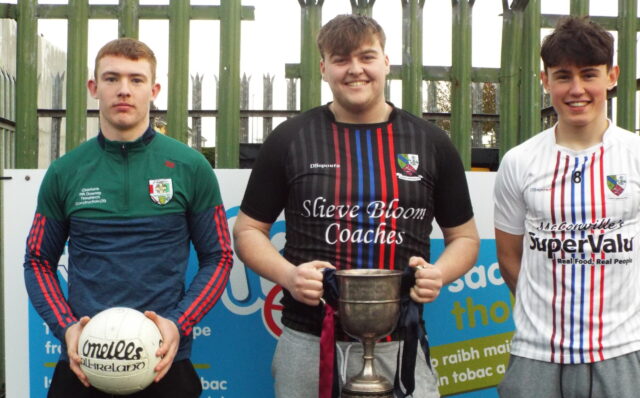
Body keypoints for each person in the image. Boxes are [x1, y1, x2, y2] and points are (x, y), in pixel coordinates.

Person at [233, 14, 479, 398]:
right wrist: (288, 275)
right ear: (324, 68)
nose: (355, 70)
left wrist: (440, 273)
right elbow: (248, 230)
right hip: (308, 340)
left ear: (386, 62)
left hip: (401, 343)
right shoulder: (290, 139)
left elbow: (464, 237)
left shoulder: (431, 142)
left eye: (366, 57)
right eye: (341, 59)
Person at [23, 38, 233, 398]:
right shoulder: (66, 171)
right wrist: (67, 328)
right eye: (111, 78)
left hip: (164, 359)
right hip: (85, 360)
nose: (124, 90)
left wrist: (178, 324)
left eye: (136, 80)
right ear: (94, 88)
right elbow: (38, 260)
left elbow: (219, 257)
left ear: (153, 90)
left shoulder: (190, 167)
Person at [493, 16, 640, 398]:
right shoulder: (519, 162)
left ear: (612, 76)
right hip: (536, 353)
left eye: (589, 74)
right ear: (546, 81)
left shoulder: (636, 156)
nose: (577, 89)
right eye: (563, 76)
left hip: (622, 351)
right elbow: (510, 258)